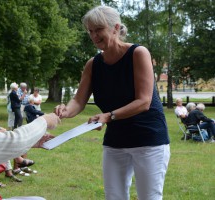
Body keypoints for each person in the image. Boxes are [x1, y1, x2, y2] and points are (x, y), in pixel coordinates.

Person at [54, 6, 170, 200]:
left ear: (115, 28)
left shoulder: (138, 53)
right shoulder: (93, 64)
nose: (94, 35)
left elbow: (143, 101)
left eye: (98, 29)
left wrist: (108, 116)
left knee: (149, 197)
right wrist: (65, 110)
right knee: (113, 196)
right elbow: (78, 101)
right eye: (90, 31)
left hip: (148, 139)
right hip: (116, 141)